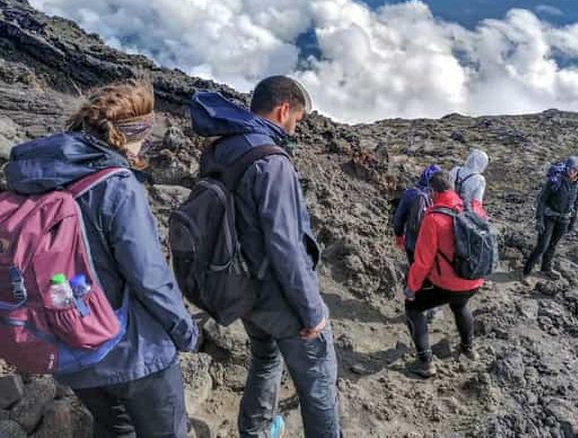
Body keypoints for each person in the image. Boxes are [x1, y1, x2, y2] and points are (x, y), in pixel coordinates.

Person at [4, 80, 198, 437]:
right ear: (129, 136)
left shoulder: (35, 176)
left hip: (72, 346)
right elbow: (149, 276)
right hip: (136, 352)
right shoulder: (116, 184)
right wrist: (185, 332)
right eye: (146, 137)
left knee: (112, 428)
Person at [189, 76, 342, 438]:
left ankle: (255, 431)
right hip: (278, 295)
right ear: (284, 109)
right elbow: (285, 244)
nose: (296, 127)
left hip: (241, 287)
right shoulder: (272, 160)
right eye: (297, 119)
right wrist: (311, 312)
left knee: (265, 358)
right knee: (319, 382)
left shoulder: (220, 148)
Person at [404, 171, 484, 379]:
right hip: (474, 279)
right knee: (460, 305)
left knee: (413, 308)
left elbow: (423, 262)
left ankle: (426, 362)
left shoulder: (434, 219)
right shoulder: (473, 207)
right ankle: (469, 348)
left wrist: (411, 288)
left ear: (432, 191)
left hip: (448, 283)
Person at [522, 156, 578, 278]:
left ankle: (546, 268)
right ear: (566, 167)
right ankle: (526, 272)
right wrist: (539, 219)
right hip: (549, 217)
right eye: (570, 168)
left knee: (553, 245)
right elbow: (542, 200)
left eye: (575, 170)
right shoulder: (555, 180)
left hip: (564, 219)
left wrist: (573, 221)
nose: (572, 172)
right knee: (542, 245)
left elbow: (576, 204)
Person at [392, 164, 441, 264]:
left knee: (413, 267)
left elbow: (399, 218)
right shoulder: (438, 195)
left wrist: (399, 236)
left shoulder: (410, 193)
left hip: (411, 243)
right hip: (430, 244)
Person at [449, 149, 489, 219]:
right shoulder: (479, 179)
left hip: (449, 205)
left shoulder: (455, 170)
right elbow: (477, 202)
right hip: (465, 211)